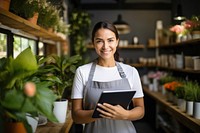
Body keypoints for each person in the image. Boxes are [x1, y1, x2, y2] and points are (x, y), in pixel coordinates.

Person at [71, 21, 145, 133]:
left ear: (117, 42)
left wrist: (126, 114)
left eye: (110, 40)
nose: (105, 46)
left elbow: (141, 110)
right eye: (100, 41)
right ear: (93, 43)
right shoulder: (82, 72)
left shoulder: (131, 71)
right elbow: (76, 116)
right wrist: (101, 113)